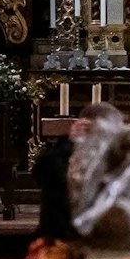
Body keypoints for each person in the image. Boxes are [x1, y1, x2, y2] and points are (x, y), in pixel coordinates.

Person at [33, 101, 118, 241]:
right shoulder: (60, 155)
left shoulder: (116, 155)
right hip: (60, 236)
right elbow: (45, 172)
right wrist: (71, 142)